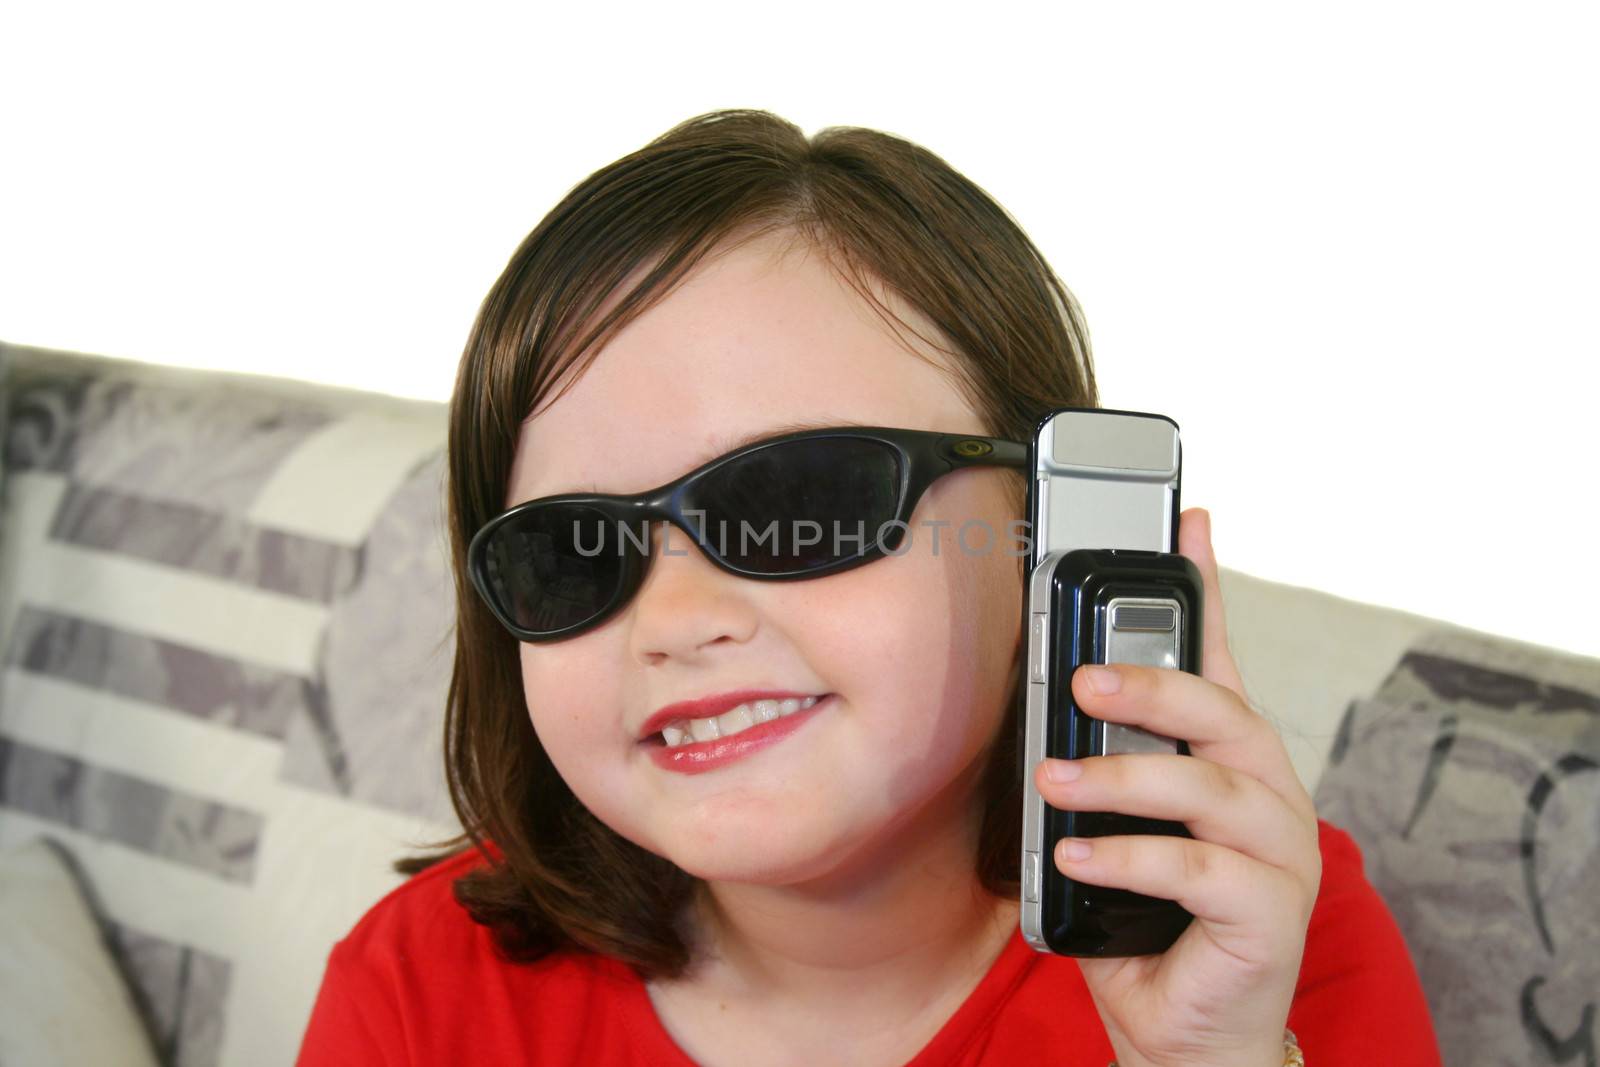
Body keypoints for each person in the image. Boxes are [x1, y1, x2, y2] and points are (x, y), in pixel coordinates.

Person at [295, 108, 1441, 1066]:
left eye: (798, 504)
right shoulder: (419, 989)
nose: (679, 620)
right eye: (576, 548)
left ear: (1045, 527)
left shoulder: (1259, 940)